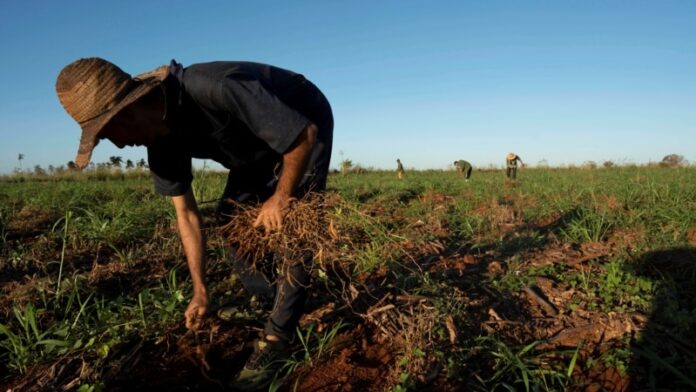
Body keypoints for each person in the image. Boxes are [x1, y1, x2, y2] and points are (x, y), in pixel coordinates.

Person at [56, 57, 333, 389]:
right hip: (252, 148)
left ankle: (278, 340)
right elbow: (186, 214)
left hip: (301, 121)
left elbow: (302, 134)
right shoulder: (158, 142)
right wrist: (201, 291)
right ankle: (270, 298)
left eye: (107, 132)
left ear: (126, 111)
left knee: (295, 222)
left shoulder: (213, 88)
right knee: (230, 217)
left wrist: (282, 197)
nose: (115, 144)